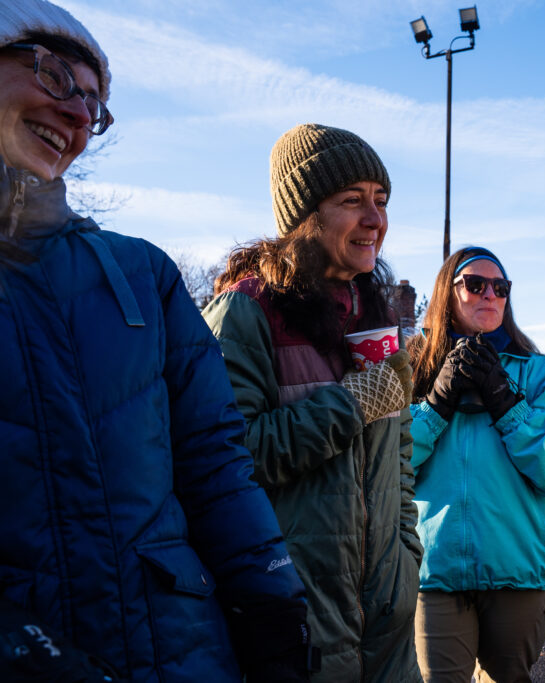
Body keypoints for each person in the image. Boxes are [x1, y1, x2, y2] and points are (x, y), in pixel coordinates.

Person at [0, 1, 313, 681]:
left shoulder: (142, 273)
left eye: (94, 103)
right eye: (55, 78)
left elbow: (214, 459)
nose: (80, 117)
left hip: (178, 653)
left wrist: (269, 596)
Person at [202, 123, 423, 682]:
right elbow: (230, 460)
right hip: (298, 614)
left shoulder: (372, 314)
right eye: (352, 201)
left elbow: (397, 462)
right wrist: (351, 404)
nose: (375, 219)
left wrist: (405, 559)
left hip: (387, 617)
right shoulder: (245, 313)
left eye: (381, 200)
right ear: (302, 216)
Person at [409, 246, 545, 682]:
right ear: (446, 294)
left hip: (517, 572)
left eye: (500, 287)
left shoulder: (538, 373)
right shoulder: (413, 368)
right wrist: (435, 405)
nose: (489, 294)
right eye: (474, 284)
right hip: (432, 569)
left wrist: (506, 402)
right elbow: (386, 462)